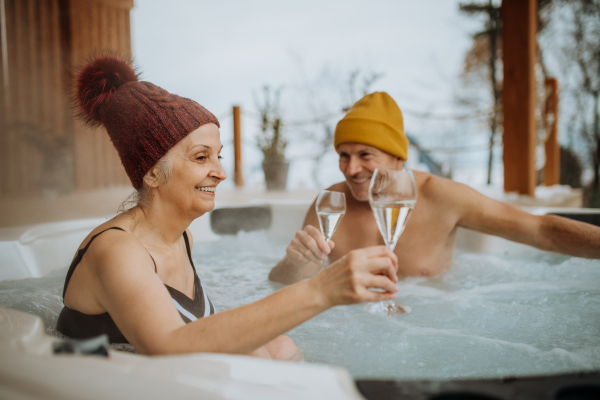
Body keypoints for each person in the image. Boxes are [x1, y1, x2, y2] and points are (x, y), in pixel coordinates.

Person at [57, 56, 400, 359]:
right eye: (201, 157)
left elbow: (202, 334)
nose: (221, 173)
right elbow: (169, 344)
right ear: (152, 173)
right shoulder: (117, 249)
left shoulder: (182, 237)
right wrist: (321, 289)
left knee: (279, 347)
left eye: (218, 156)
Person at [269, 92, 600, 284]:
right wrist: (294, 262)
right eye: (343, 155)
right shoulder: (331, 203)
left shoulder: (441, 197)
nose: (351, 169)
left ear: (398, 159)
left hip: (430, 330)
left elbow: (541, 231)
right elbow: (288, 286)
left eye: (365, 155)